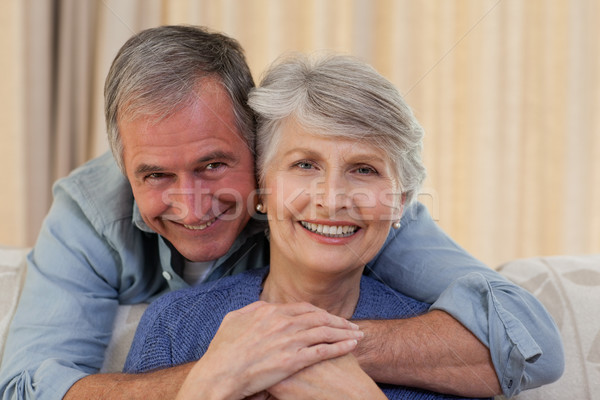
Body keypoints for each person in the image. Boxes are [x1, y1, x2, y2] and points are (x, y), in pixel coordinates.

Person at [0, 25, 562, 400]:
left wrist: (302, 349)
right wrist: (209, 377)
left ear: (254, 146)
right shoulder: (94, 220)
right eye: (156, 175)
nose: (192, 206)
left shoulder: (363, 210)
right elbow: (29, 384)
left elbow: (523, 337)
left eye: (215, 165)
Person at [124, 52, 494, 400]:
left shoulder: (444, 354)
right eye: (305, 165)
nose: (332, 199)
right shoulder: (174, 326)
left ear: (400, 201)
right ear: (262, 189)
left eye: (364, 169)